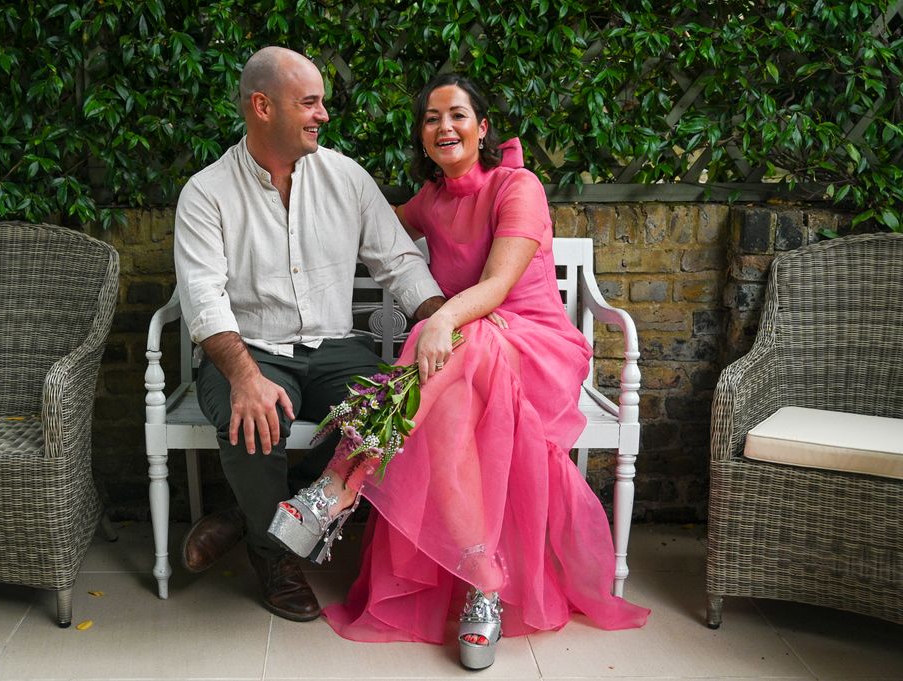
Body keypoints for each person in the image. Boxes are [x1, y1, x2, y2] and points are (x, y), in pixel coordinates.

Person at [267, 73, 650, 668]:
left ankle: (340, 484)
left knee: (447, 334)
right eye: (431, 119)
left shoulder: (516, 186)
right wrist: (291, 209)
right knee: (447, 418)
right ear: (422, 138)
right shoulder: (431, 200)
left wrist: (443, 321)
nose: (444, 126)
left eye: (457, 115)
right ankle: (483, 582)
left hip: (534, 347)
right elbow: (365, 226)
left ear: (481, 127)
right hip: (462, 362)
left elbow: (497, 286)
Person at [173, 46, 445, 623]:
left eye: (323, 101)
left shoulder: (346, 177)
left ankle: (242, 514)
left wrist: (443, 316)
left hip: (335, 347)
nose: (324, 113)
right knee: (255, 417)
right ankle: (273, 556)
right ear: (263, 106)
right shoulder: (206, 192)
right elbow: (203, 297)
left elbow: (398, 261)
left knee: (395, 408)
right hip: (250, 350)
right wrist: (244, 376)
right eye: (310, 102)